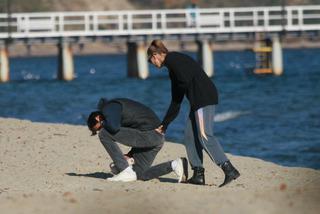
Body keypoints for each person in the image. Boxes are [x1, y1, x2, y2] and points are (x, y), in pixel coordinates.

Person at [147, 40, 240, 187]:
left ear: (156, 55)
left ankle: (229, 169)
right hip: (197, 101)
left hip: (203, 98)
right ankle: (198, 174)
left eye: (150, 60)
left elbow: (184, 80)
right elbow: (176, 101)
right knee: (190, 136)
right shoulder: (172, 68)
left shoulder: (174, 59)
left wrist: (180, 87)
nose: (151, 63)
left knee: (204, 136)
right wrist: (164, 124)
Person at [87, 97, 188, 182]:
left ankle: (125, 170)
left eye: (98, 127)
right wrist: (130, 154)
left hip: (151, 134)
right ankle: (175, 164)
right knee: (139, 174)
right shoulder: (113, 113)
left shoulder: (109, 108)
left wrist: (123, 167)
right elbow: (136, 131)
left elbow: (114, 128)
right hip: (155, 138)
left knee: (104, 134)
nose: (100, 129)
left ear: (98, 118)